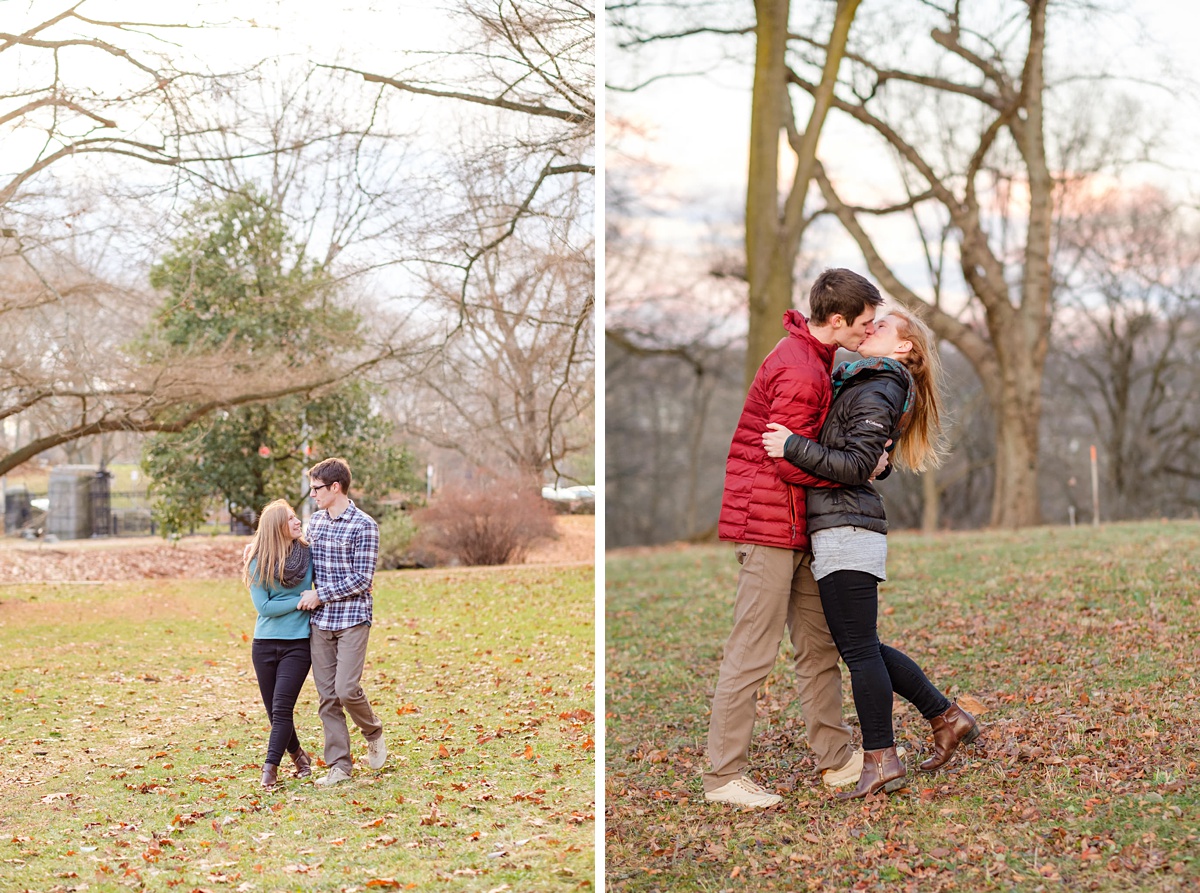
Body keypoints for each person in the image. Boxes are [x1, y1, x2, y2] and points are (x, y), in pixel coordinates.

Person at [762, 309, 982, 800]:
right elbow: (865, 457)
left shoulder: (880, 384)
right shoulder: (865, 380)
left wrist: (792, 445)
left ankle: (881, 759)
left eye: (881, 326)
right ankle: (948, 718)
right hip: (842, 523)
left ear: (904, 348)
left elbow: (855, 463)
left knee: (859, 649)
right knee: (863, 645)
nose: (869, 328)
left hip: (847, 526)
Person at [704, 268, 885, 808]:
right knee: (753, 652)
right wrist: (855, 470)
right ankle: (723, 777)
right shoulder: (800, 369)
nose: (869, 333)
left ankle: (834, 759)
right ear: (836, 320)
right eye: (865, 324)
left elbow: (805, 450)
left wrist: (865, 462)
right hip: (767, 526)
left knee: (818, 646)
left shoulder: (818, 360)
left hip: (800, 524)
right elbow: (781, 460)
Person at [296, 457, 387, 786]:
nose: (313, 495)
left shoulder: (365, 526)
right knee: (327, 697)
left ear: (336, 487)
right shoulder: (315, 524)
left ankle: (373, 731)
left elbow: (362, 579)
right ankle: (340, 766)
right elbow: (305, 568)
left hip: (352, 618)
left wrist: (321, 595)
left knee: (346, 689)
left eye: (317, 488)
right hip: (320, 623)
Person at [244, 499, 315, 789]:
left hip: (298, 644)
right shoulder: (257, 561)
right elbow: (265, 608)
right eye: (290, 519)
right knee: (275, 712)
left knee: (282, 708)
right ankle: (299, 756)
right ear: (277, 528)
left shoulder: (309, 555)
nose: (297, 522)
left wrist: (285, 602)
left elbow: (280, 602)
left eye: (296, 517)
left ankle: (270, 769)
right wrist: (300, 600)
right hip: (263, 646)